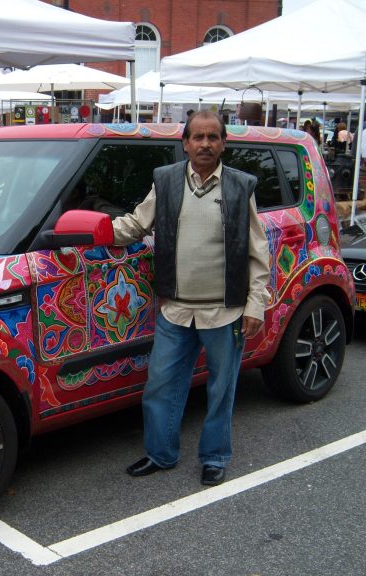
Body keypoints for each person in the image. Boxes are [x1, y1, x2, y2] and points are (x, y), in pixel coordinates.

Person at [112, 111, 270, 486]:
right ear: (184, 143)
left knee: (221, 390)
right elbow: (136, 224)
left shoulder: (239, 186)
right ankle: (160, 453)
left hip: (225, 311)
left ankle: (214, 457)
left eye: (212, 137)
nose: (204, 144)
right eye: (197, 137)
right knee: (160, 385)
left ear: (223, 143)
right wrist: (94, 231)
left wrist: (255, 303)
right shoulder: (166, 182)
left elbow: (257, 251)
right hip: (176, 310)